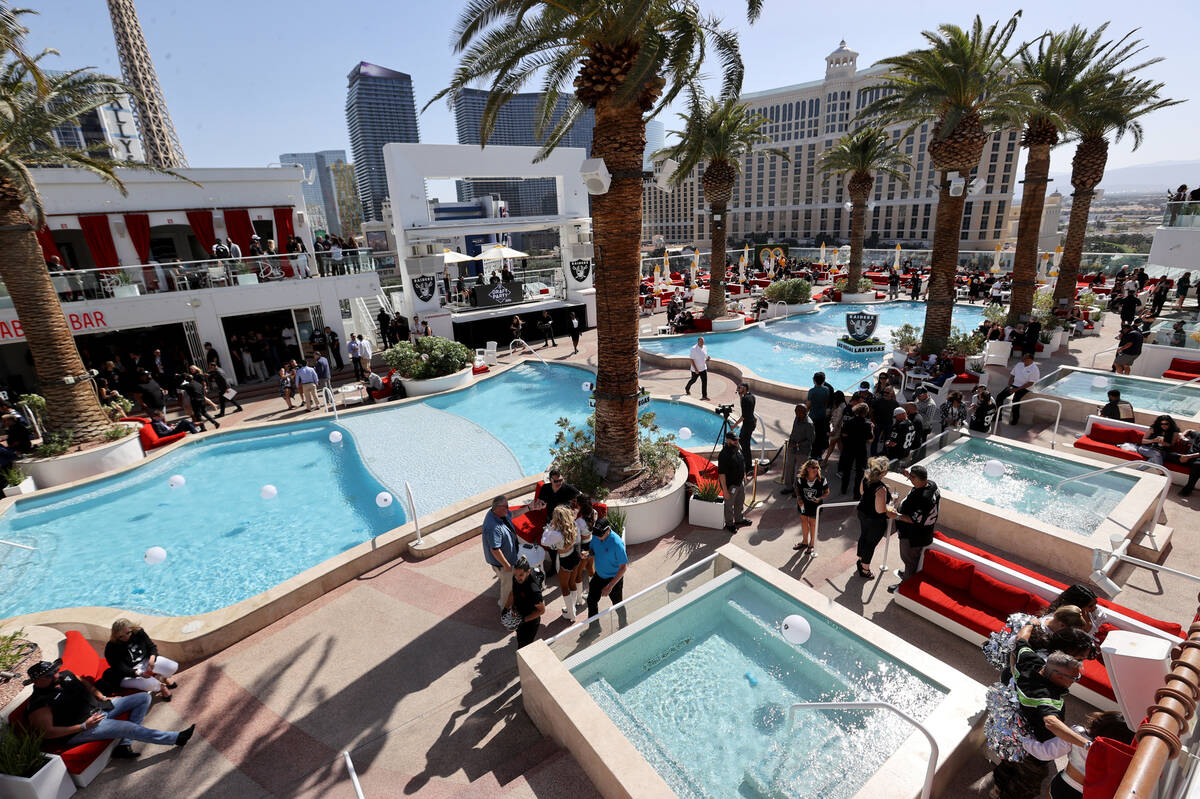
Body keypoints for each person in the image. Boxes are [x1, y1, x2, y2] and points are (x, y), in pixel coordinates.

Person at [23, 659, 195, 760]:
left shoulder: (66, 675)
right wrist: (84, 726)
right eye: (49, 675)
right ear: (37, 681)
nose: (55, 675)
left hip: (100, 709)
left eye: (54, 671)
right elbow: (49, 733)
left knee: (143, 697)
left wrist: (101, 697)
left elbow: (87, 686)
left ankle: (124, 745)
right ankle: (176, 738)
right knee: (128, 727)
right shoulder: (40, 703)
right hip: (80, 729)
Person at [991, 651, 1092, 799]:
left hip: (1013, 735)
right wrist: (1087, 744)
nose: (1074, 681)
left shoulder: (1029, 662)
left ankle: (996, 789)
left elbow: (1018, 644)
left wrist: (1032, 625)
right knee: (1025, 785)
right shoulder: (1047, 698)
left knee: (1007, 763)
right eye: (1074, 677)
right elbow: (1051, 722)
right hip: (1031, 750)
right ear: (1058, 675)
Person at [1049, 711, 1135, 799]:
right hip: (1088, 794)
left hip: (1063, 784)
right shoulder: (1123, 759)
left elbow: (1049, 750)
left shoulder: (1079, 734)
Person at [889, 465, 940, 592]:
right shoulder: (931, 484)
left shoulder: (924, 499)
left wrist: (896, 516)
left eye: (912, 478)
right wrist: (908, 474)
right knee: (910, 560)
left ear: (920, 479)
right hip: (921, 532)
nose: (910, 479)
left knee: (909, 559)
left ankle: (905, 585)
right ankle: (908, 573)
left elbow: (913, 519)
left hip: (914, 536)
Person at [102, 618, 178, 698]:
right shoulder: (111, 648)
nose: (126, 637)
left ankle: (164, 678)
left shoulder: (138, 633)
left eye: (128, 633)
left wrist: (152, 658)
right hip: (128, 673)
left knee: (172, 666)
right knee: (151, 684)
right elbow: (121, 669)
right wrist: (139, 673)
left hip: (145, 661)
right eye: (121, 636)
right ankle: (162, 688)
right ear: (115, 636)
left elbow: (151, 647)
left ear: (132, 628)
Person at [482, 495, 531, 609]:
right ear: (498, 507)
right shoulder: (493, 527)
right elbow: (494, 549)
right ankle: (506, 611)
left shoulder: (500, 514)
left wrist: (529, 508)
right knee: (507, 589)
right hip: (504, 565)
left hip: (509, 560)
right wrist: (507, 566)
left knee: (509, 584)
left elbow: (512, 514)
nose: (508, 509)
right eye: (506, 506)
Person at [855, 457, 896, 579]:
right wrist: (892, 502)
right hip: (875, 520)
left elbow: (862, 492)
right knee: (871, 543)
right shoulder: (881, 488)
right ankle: (865, 569)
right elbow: (880, 510)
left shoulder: (866, 478)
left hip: (862, 513)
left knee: (864, 536)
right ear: (883, 472)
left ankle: (861, 559)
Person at [585, 517, 628, 632]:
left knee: (617, 604)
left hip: (613, 579)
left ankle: (624, 627)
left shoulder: (617, 543)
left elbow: (623, 568)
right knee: (591, 600)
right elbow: (593, 550)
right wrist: (588, 554)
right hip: (598, 576)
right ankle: (594, 628)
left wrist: (610, 586)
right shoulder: (596, 535)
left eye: (600, 535)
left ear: (608, 530)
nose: (598, 537)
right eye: (596, 535)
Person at [543, 505, 581, 621]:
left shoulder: (556, 533)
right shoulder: (574, 525)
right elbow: (578, 540)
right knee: (572, 583)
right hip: (575, 556)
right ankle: (572, 608)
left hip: (563, 560)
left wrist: (548, 528)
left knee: (564, 587)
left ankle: (571, 613)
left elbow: (543, 541)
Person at [503, 556, 546, 649]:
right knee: (520, 639)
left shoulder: (533, 590)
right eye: (515, 575)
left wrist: (523, 620)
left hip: (531, 622)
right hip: (520, 616)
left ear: (528, 572)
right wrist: (506, 608)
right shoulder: (516, 578)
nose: (517, 578)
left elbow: (541, 610)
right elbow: (512, 593)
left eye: (521, 575)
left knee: (524, 647)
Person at [793, 459, 829, 554]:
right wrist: (799, 497)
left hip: (815, 506)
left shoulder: (822, 480)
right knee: (804, 521)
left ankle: (811, 544)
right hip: (803, 505)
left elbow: (827, 492)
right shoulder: (801, 479)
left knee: (812, 523)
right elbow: (797, 489)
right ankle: (804, 542)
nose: (815, 469)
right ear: (808, 468)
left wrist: (820, 498)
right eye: (813, 467)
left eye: (817, 467)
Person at [839, 403, 874, 498]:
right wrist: (871, 429)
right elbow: (870, 439)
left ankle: (843, 489)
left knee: (847, 470)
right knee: (860, 472)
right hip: (861, 449)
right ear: (866, 412)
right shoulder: (867, 424)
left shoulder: (849, 422)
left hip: (849, 448)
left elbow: (844, 435)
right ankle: (857, 493)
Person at [718, 431, 750, 533]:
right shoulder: (723, 455)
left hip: (740, 482)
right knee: (729, 506)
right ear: (728, 440)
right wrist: (725, 491)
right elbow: (721, 475)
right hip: (731, 486)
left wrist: (744, 476)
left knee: (740, 502)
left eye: (737, 439)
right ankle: (729, 524)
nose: (736, 441)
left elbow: (742, 462)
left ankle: (739, 519)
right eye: (734, 440)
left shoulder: (738, 448)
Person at [996, 353, 1040, 425]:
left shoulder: (1035, 369)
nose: (1022, 359)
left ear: (1029, 360)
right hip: (1014, 385)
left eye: (1024, 358)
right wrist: (1010, 385)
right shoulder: (1019, 364)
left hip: (1025, 387)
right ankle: (998, 416)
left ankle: (1015, 419)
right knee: (1000, 396)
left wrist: (1016, 390)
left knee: (1016, 400)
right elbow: (1012, 375)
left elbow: (1030, 383)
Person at [780, 403, 814, 496]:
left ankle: (797, 489)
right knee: (789, 467)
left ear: (805, 412)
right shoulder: (797, 418)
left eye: (799, 411)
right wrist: (791, 442)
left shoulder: (809, 424)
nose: (796, 413)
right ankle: (789, 487)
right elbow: (793, 431)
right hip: (792, 448)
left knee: (800, 470)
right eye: (796, 411)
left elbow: (811, 440)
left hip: (802, 451)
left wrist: (798, 444)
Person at [808, 372, 833, 455]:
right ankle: (818, 454)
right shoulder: (826, 389)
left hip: (813, 416)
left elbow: (809, 404)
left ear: (814, 380)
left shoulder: (811, 391)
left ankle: (811, 453)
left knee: (811, 435)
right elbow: (826, 403)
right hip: (822, 416)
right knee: (819, 436)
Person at [734, 383, 757, 467]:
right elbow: (745, 408)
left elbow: (743, 415)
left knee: (745, 444)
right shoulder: (752, 396)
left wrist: (734, 425)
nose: (739, 389)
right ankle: (746, 462)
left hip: (747, 424)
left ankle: (747, 464)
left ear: (745, 388)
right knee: (744, 442)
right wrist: (741, 397)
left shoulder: (745, 399)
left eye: (740, 388)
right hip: (752, 423)